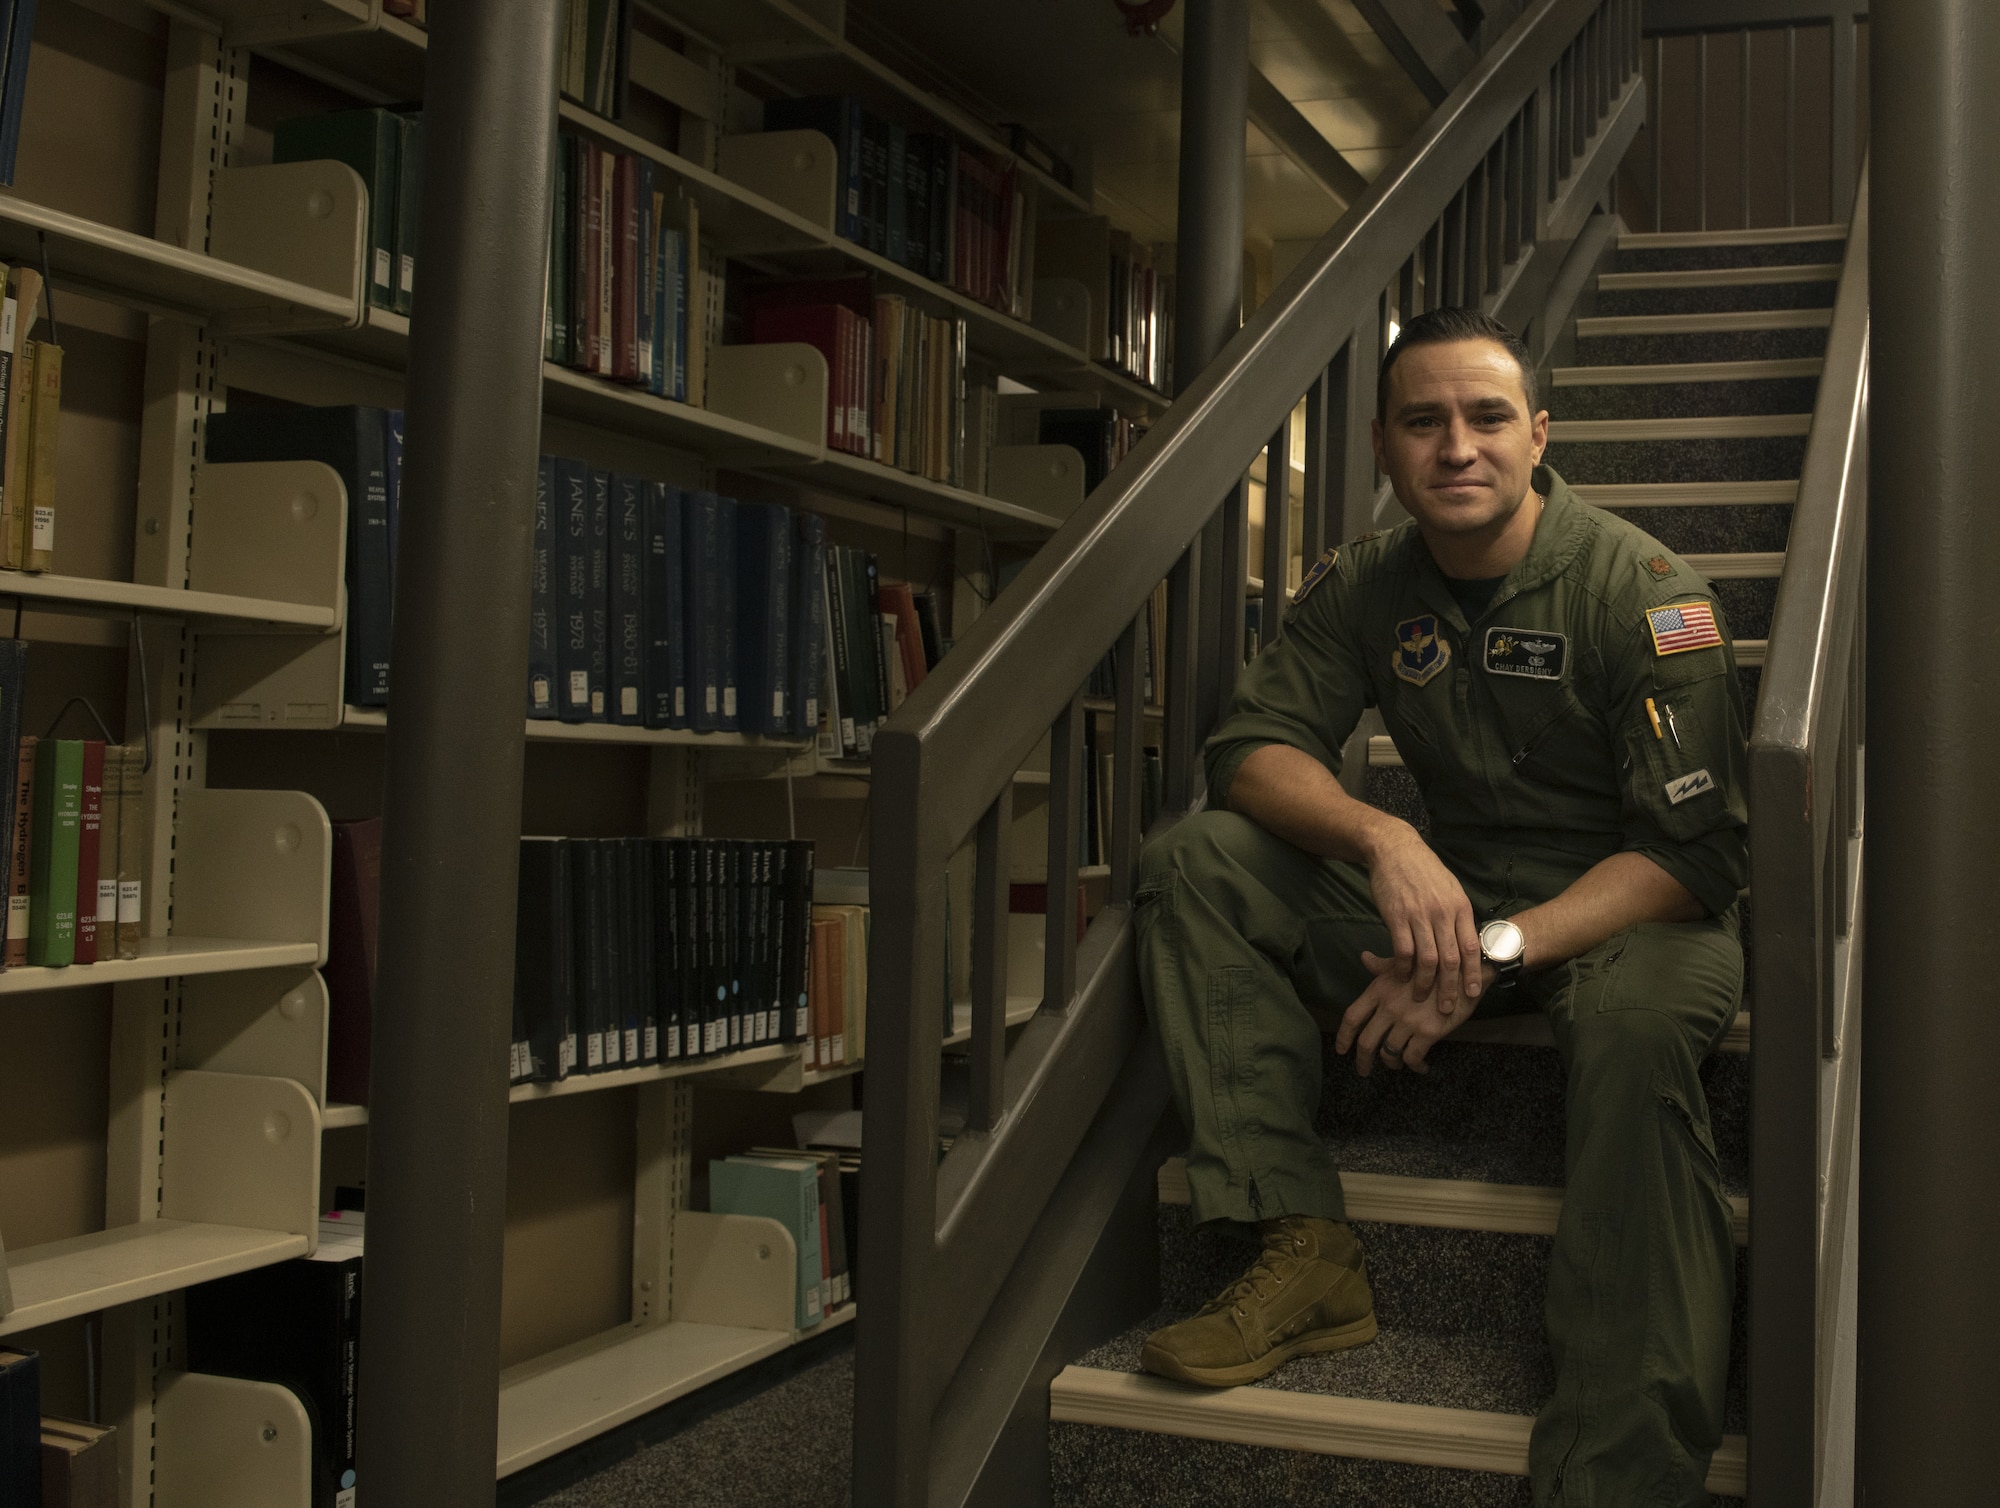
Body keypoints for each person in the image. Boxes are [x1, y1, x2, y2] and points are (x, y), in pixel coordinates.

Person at [1133, 307, 1748, 1505]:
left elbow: (1689, 855)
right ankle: (1296, 1243)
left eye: (1485, 417)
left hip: (1631, 917)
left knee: (1627, 1036)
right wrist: (1383, 833)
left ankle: (1613, 1463)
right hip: (1447, 897)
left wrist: (1488, 949)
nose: (1454, 446)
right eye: (1423, 421)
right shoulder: (1369, 583)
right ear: (1381, 445)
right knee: (1199, 859)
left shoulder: (1646, 593)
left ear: (1536, 434)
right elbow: (1250, 749)